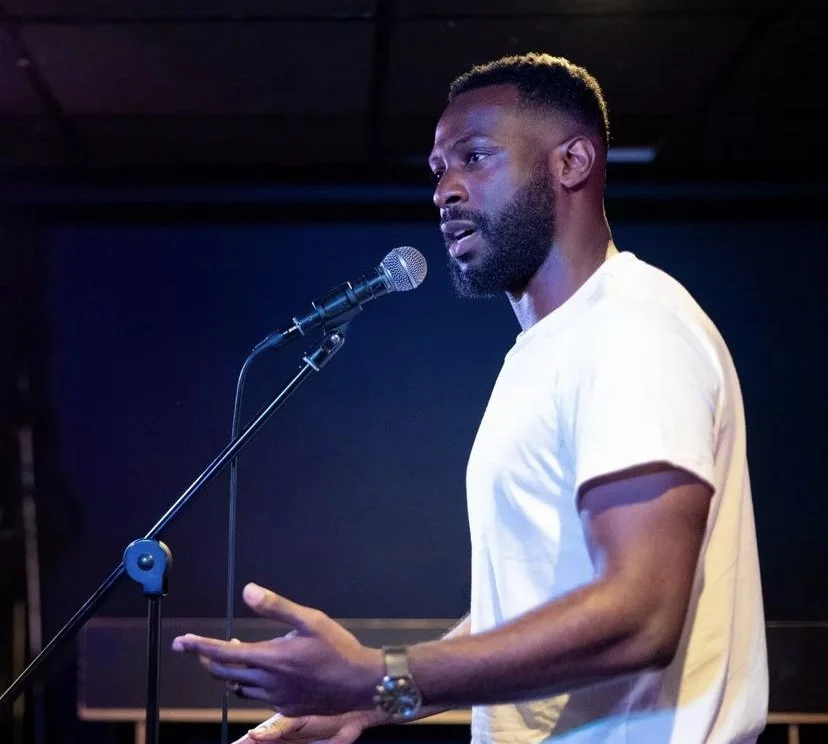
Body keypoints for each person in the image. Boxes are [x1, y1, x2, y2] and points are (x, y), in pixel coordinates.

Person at [172, 53, 769, 744]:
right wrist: (366, 704)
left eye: (475, 157)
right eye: (437, 171)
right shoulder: (548, 348)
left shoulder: (630, 325)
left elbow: (642, 615)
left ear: (572, 161)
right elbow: (531, 606)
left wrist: (381, 674)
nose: (444, 192)